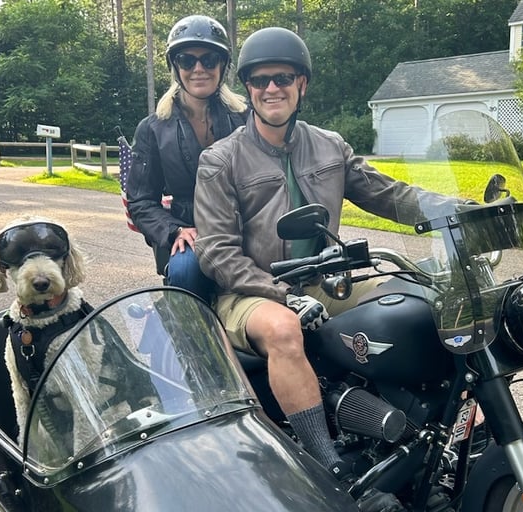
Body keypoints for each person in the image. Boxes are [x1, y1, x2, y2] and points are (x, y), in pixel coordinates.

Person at [194, 27, 459, 511]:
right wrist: (279, 293)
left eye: (282, 77)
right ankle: (325, 460)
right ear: (248, 89)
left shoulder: (330, 146)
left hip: (326, 278)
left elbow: (389, 193)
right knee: (283, 330)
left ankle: (432, 437)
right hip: (247, 290)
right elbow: (216, 253)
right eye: (259, 80)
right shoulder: (221, 159)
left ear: (302, 84)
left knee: (424, 299)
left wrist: (457, 210)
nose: (271, 88)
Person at [124, 15, 247, 303]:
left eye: (209, 59)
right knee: (184, 273)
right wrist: (174, 230)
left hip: (246, 226)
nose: (199, 69)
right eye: (187, 60)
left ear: (223, 65)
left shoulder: (246, 118)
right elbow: (140, 200)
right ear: (175, 67)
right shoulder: (153, 128)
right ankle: (187, 343)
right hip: (190, 229)